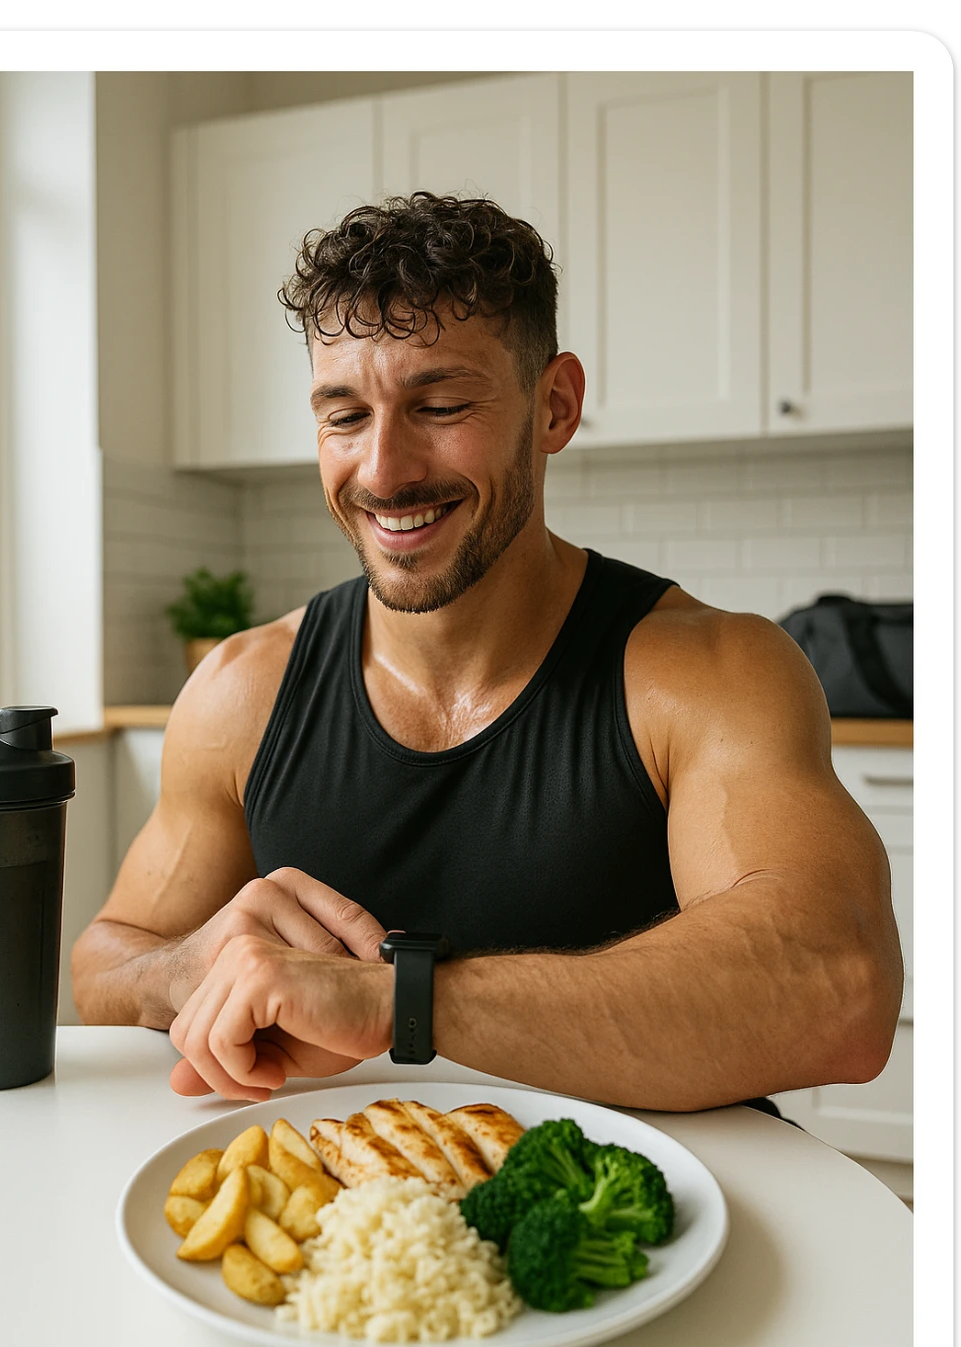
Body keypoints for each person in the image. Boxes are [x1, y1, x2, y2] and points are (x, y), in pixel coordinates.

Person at [72, 192, 903, 1111]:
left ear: (554, 407)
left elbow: (840, 986)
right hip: (351, 1235)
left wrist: (401, 1004)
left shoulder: (706, 672)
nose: (383, 471)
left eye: (439, 404)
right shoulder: (243, 689)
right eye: (344, 416)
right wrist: (189, 964)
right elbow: (105, 963)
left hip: (654, 1237)